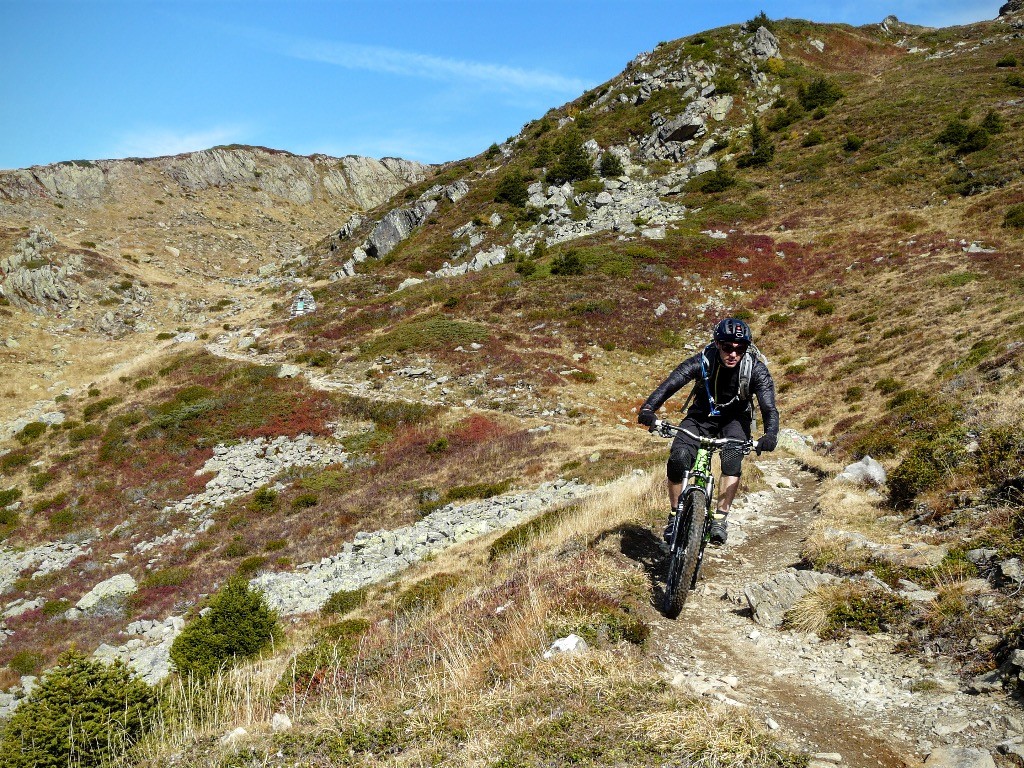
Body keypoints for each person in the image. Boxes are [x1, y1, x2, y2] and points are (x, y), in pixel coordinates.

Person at [638, 318, 779, 545]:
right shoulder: (703, 361)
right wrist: (648, 408)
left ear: (747, 349)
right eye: (727, 347)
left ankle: (720, 518)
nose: (733, 353)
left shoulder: (756, 369)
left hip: (735, 420)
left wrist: (771, 434)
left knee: (732, 458)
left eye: (740, 349)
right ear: (716, 344)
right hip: (700, 416)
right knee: (679, 458)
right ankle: (675, 515)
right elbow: (671, 383)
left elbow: (769, 407)